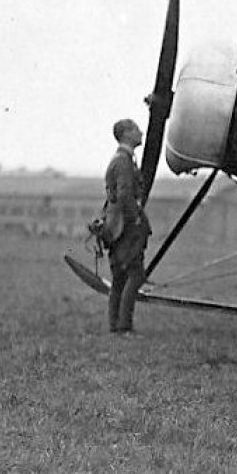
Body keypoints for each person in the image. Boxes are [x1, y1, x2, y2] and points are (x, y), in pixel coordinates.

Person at [103, 118, 152, 335]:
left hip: (118, 224)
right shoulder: (123, 162)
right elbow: (124, 194)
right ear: (126, 134)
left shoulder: (122, 159)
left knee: (120, 277)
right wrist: (136, 219)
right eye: (136, 130)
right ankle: (124, 326)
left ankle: (116, 326)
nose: (141, 132)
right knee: (135, 274)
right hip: (127, 226)